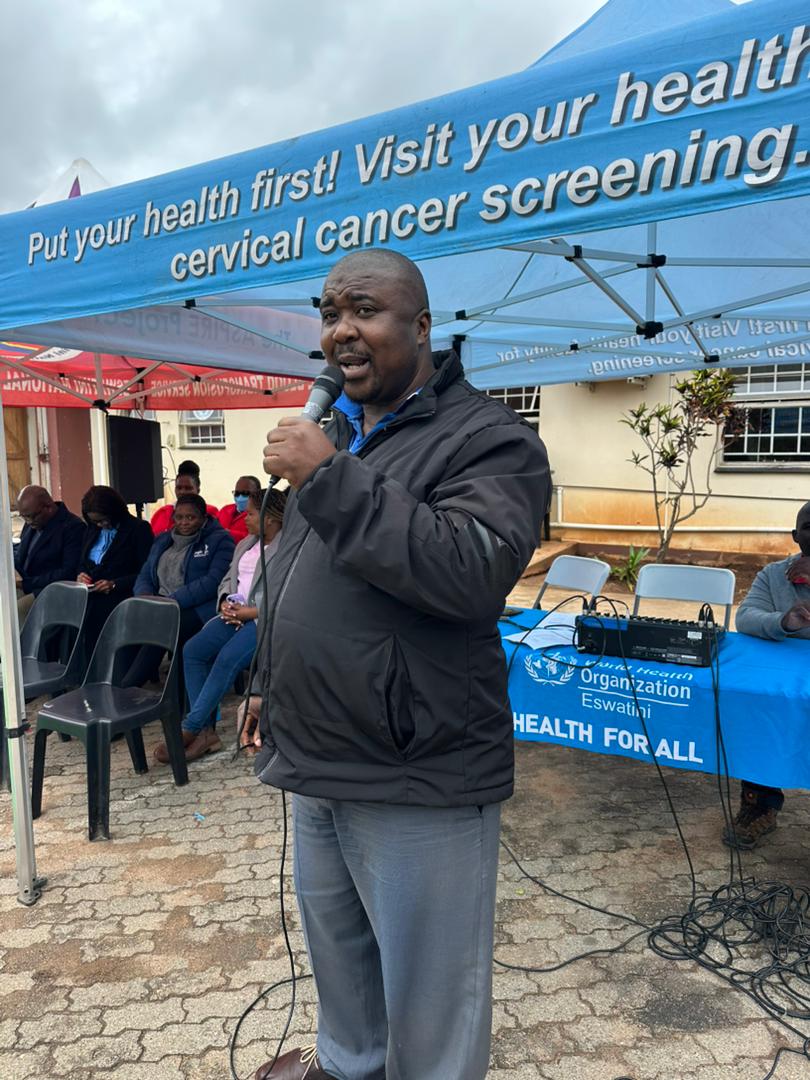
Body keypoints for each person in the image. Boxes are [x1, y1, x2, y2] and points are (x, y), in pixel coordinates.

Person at [252, 249, 549, 1080]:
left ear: (421, 327)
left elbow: (469, 571)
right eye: (330, 313)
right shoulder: (343, 436)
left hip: (417, 769)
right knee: (341, 967)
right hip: (315, 753)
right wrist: (266, 683)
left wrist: (327, 476)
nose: (341, 330)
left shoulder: (492, 440)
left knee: (429, 999)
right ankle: (347, 1067)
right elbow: (299, 578)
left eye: (365, 310)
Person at [152, 488, 286, 764]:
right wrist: (225, 601)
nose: (244, 517)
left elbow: (290, 594)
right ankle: (206, 731)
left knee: (226, 659)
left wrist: (251, 612)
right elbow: (228, 578)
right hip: (235, 613)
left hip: (264, 620)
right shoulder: (246, 544)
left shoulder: (288, 549)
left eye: (250, 513)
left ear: (270, 518)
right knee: (193, 650)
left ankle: (192, 727)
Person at [726, 500, 810, 849]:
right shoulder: (775, 574)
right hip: (783, 676)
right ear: (795, 536)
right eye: (809, 527)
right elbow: (745, 618)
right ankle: (759, 804)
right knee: (758, 705)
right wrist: (783, 621)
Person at [129, 494, 234, 712]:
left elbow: (213, 581)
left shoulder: (220, 540)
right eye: (179, 517)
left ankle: (131, 686)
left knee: (165, 627)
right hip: (160, 604)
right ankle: (120, 688)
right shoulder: (163, 540)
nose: (184, 522)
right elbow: (145, 573)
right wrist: (144, 595)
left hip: (198, 608)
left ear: (203, 518)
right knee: (127, 623)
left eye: (190, 517)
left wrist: (171, 601)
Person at [77, 485, 155, 655]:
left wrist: (114, 584)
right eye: (95, 521)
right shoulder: (93, 529)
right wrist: (81, 575)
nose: (101, 524)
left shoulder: (138, 529)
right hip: (91, 594)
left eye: (103, 520)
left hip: (120, 596)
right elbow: (82, 560)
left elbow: (147, 572)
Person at [14, 485, 85, 624]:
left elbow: (68, 572)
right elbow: (23, 555)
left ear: (48, 507)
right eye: (24, 517)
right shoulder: (32, 523)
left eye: (31, 516)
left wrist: (26, 584)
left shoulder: (72, 527)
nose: (28, 521)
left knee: (17, 611)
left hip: (52, 589)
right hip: (27, 582)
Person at [150, 459, 219, 536]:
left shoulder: (210, 513)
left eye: (188, 488)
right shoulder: (163, 513)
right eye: (179, 488)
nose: (182, 492)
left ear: (198, 490)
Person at [218, 474, 262, 542]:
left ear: (258, 493)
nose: (240, 497)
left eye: (246, 493)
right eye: (237, 493)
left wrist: (227, 534)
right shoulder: (225, 509)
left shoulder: (261, 514)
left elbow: (257, 537)